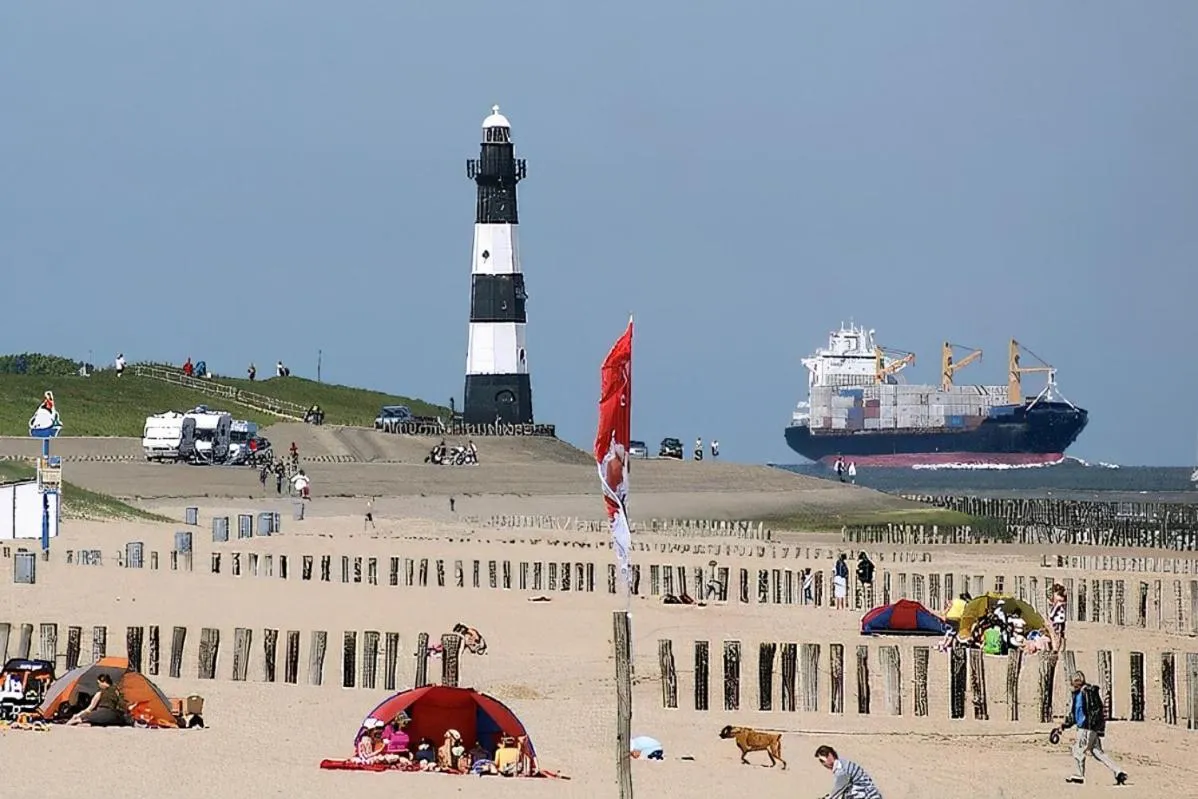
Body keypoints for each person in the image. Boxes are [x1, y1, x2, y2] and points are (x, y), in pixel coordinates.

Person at [1053, 671, 1127, 785]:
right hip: (1087, 728)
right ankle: (1119, 772)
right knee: (1098, 752)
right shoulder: (1077, 694)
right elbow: (1075, 715)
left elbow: (1096, 712)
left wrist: (1093, 727)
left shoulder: (1088, 692)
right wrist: (1064, 726)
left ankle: (1079, 775)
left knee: (1078, 750)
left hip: (1086, 728)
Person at [814, 745, 882, 798]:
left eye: (822, 760)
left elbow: (838, 789)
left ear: (830, 756)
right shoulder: (842, 764)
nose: (823, 764)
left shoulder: (841, 769)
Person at [1049, 584, 1068, 651]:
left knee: (1061, 635)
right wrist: (1057, 605)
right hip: (1056, 621)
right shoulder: (1056, 604)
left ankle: (1059, 648)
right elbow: (1051, 615)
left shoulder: (1062, 604)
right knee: (1056, 635)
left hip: (1061, 621)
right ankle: (1056, 648)